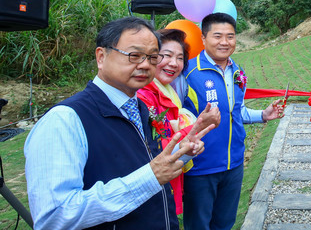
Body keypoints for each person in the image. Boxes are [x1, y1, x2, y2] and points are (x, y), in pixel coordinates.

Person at [24, 17, 213, 229]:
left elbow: (141, 161)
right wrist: (150, 178)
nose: (145, 65)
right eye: (134, 55)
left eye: (152, 57)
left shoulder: (140, 109)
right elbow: (54, 217)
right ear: (101, 57)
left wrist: (183, 149)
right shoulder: (64, 121)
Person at [182, 12, 284, 230]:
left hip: (234, 164)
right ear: (203, 38)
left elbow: (235, 111)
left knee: (226, 223)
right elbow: (177, 119)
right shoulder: (187, 72)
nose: (224, 42)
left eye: (230, 36)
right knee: (198, 225)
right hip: (200, 167)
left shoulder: (237, 71)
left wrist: (263, 115)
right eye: (217, 36)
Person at [137, 28, 221, 215]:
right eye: (166, 56)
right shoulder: (143, 97)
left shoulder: (170, 93)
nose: (174, 63)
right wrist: (199, 125)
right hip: (149, 192)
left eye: (180, 58)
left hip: (168, 182)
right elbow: (159, 147)